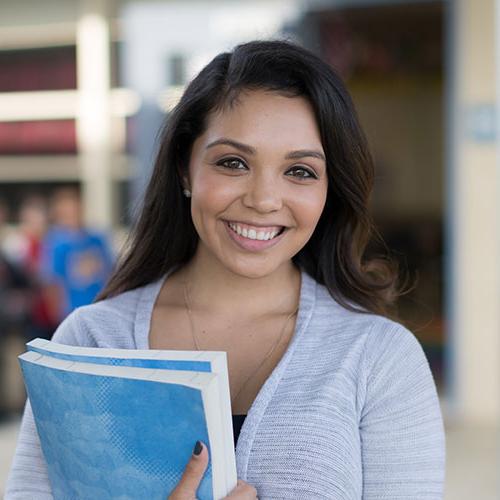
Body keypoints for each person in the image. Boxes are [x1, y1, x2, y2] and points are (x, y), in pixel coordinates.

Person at [6, 40, 445, 499]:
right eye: (233, 163)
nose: (263, 199)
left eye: (300, 171)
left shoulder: (380, 359)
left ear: (329, 190)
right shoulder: (90, 343)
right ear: (184, 169)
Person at [38, 187, 114, 323]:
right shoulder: (55, 242)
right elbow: (52, 283)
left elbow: (110, 272)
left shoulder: (97, 238)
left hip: (99, 307)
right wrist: (57, 317)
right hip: (70, 313)